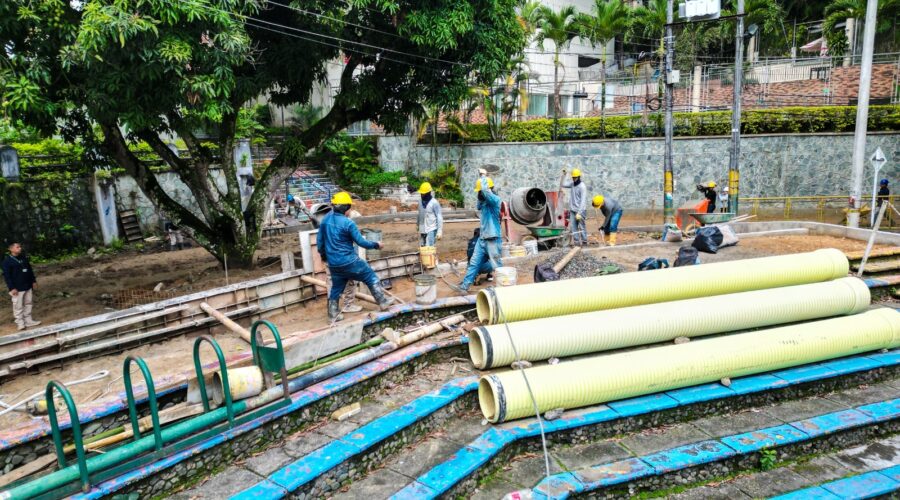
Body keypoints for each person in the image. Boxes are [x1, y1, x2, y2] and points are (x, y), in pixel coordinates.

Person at [317, 192, 394, 322]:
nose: (350, 210)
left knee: (336, 288)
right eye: (350, 207)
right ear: (345, 208)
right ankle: (382, 301)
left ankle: (333, 314)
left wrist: (326, 257)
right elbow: (361, 242)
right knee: (370, 277)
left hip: (334, 264)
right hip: (349, 261)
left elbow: (320, 243)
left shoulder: (325, 221)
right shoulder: (348, 223)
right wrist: (376, 245)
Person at [455, 175, 502, 293]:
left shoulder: (495, 201)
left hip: (492, 239)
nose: (479, 194)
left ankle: (504, 287)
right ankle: (464, 286)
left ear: (488, 190)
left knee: (497, 264)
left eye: (480, 192)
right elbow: (478, 205)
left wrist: (483, 177)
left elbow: (486, 192)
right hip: (482, 239)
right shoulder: (484, 203)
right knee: (474, 263)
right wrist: (480, 194)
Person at [2, 243, 40, 331]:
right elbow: (7, 276)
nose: (20, 248)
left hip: (27, 285)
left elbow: (30, 270)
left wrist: (33, 281)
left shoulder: (24, 258)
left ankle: (28, 320)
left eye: (20, 247)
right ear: (11, 249)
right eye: (17, 247)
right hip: (17, 287)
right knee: (18, 306)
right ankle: (20, 323)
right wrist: (11, 288)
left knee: (28, 303)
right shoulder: (7, 261)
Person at [561, 168, 588, 245]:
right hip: (572, 210)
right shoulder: (572, 184)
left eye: (575, 177)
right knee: (573, 227)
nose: (574, 179)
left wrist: (579, 212)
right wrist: (564, 175)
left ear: (579, 177)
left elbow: (583, 201)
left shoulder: (582, 187)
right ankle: (576, 242)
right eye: (573, 177)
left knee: (582, 226)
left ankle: (584, 242)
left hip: (580, 210)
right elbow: (563, 184)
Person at [416, 182, 443, 246]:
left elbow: (439, 217)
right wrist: (417, 224)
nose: (421, 195)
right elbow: (419, 214)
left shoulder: (434, 203)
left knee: (429, 248)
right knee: (422, 248)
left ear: (428, 193)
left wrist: (439, 231)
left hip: (431, 229)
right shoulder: (420, 202)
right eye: (421, 193)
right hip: (422, 229)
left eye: (423, 193)